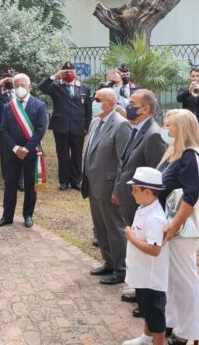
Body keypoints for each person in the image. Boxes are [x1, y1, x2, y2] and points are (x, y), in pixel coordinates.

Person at [156, 109, 199, 345]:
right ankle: (174, 323)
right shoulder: (177, 152)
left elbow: (192, 195)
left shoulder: (191, 155)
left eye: (170, 125)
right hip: (173, 228)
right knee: (173, 280)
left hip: (182, 230)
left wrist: (175, 225)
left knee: (185, 282)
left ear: (183, 127)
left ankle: (191, 332)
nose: (167, 129)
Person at [115, 90, 168, 310]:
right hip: (134, 201)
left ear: (145, 109)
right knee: (136, 250)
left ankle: (146, 300)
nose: (128, 105)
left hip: (143, 203)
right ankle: (139, 293)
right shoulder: (137, 130)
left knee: (145, 251)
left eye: (133, 103)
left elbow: (156, 175)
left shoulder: (153, 134)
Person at [81, 88, 132, 285]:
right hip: (94, 183)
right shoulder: (95, 121)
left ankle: (121, 269)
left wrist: (119, 189)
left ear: (110, 103)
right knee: (101, 227)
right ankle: (109, 262)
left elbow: (124, 161)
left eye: (97, 99)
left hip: (110, 186)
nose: (93, 102)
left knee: (114, 228)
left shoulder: (120, 125)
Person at [0, 73, 48, 228]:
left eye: (23, 85)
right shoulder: (8, 106)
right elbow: (3, 130)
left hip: (30, 152)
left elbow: (41, 130)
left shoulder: (39, 105)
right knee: (10, 184)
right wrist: (16, 148)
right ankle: (7, 216)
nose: (20, 88)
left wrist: (27, 148)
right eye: (17, 85)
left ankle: (28, 215)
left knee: (30, 186)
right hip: (12, 152)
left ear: (29, 87)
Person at [122, 167, 170, 345]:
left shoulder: (155, 217)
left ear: (148, 191)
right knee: (147, 310)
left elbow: (155, 249)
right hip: (143, 274)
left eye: (135, 190)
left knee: (155, 315)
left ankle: (157, 341)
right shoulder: (144, 207)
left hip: (151, 279)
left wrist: (131, 237)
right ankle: (145, 338)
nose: (132, 193)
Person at [37, 61, 91, 191]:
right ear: (61, 73)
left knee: (77, 154)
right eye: (66, 72)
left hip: (78, 126)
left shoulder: (83, 87)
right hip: (61, 126)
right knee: (63, 155)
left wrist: (87, 126)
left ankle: (76, 181)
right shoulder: (56, 87)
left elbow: (88, 109)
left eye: (71, 71)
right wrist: (55, 76)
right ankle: (64, 181)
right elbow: (42, 87)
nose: (69, 74)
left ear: (75, 72)